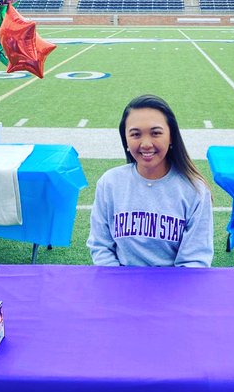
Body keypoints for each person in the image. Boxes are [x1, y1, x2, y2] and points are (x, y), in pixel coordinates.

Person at [88, 95, 213, 267]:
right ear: (125, 139)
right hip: (120, 286)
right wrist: (118, 284)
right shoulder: (109, 183)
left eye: (156, 133)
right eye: (135, 134)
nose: (146, 144)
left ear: (171, 137)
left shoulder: (195, 190)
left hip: (174, 287)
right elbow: (101, 246)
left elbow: (195, 260)